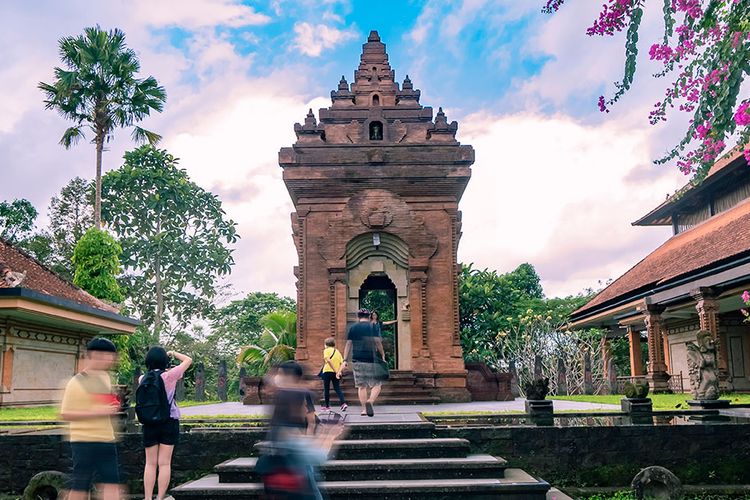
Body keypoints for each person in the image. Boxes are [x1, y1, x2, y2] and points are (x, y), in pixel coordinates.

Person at [257, 361, 346, 500]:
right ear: (293, 407)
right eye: (302, 406)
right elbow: (318, 456)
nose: (306, 409)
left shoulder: (278, 425)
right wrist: (330, 435)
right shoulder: (289, 434)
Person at [59, 337, 123, 500]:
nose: (110, 360)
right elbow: (66, 413)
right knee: (81, 484)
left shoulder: (106, 378)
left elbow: (103, 406)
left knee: (112, 482)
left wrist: (112, 407)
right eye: (107, 356)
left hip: (107, 439)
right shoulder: (76, 383)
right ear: (94, 355)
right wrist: (98, 411)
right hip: (83, 440)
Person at [141, 347, 192, 500]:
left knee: (150, 463)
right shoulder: (170, 376)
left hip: (149, 423)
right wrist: (173, 353)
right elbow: (188, 360)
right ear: (165, 361)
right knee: (164, 463)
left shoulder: (143, 378)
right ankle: (160, 497)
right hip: (168, 422)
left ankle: (148, 498)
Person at [342, 309, 385, 417]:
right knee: (377, 384)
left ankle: (364, 410)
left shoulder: (353, 328)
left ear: (358, 317)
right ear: (369, 316)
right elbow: (377, 341)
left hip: (357, 360)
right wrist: (383, 354)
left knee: (361, 386)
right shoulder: (372, 327)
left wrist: (345, 360)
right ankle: (370, 401)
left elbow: (348, 344)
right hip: (371, 360)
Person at [320, 337, 347, 411]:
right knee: (337, 388)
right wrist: (338, 372)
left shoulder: (326, 350)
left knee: (326, 389)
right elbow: (343, 363)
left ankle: (327, 406)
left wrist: (335, 370)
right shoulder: (337, 351)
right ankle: (343, 403)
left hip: (327, 371)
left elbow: (328, 360)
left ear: (326, 344)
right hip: (336, 373)